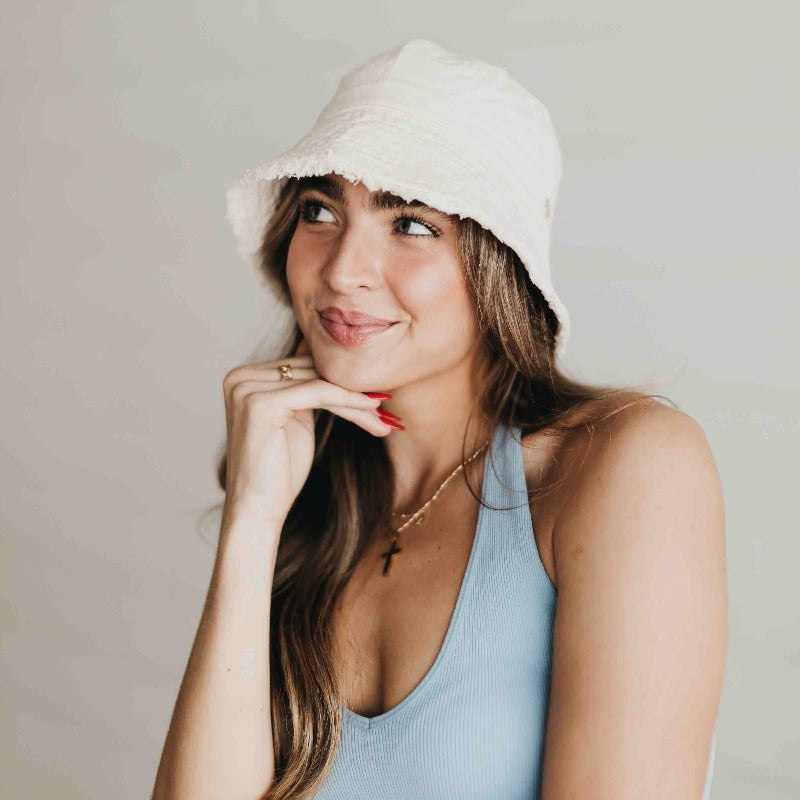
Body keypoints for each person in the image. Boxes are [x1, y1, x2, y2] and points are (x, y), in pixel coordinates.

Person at [151, 40, 727, 800]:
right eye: (320, 211)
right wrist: (253, 525)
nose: (341, 270)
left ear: (499, 265)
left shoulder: (626, 466)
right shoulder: (311, 499)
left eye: (412, 224)